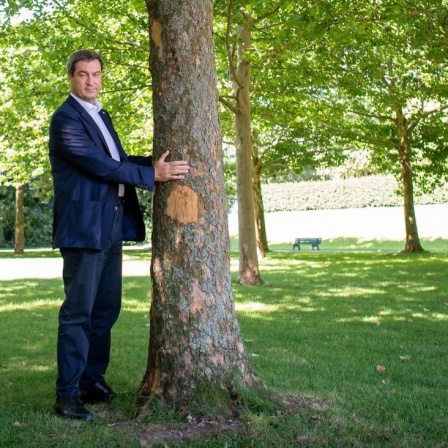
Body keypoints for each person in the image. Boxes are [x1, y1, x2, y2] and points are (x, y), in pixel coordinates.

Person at [48, 49, 190, 421]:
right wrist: (151, 178)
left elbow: (118, 161)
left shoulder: (100, 115)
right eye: (83, 75)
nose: (90, 81)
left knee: (106, 309)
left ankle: (91, 381)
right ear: (71, 78)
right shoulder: (65, 119)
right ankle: (66, 395)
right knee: (78, 313)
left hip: (110, 226)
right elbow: (98, 166)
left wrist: (154, 165)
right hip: (83, 230)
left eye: (96, 74)